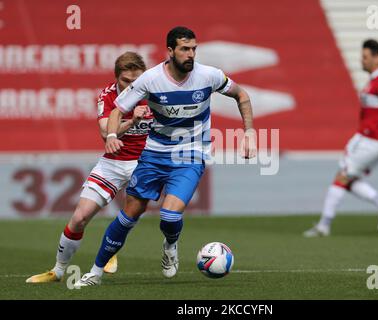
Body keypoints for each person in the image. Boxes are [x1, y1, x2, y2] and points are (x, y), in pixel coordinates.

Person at [74, 26, 257, 287]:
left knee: (170, 216)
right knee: (128, 216)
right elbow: (117, 110)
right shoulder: (150, 80)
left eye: (193, 48)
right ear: (170, 51)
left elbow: (242, 95)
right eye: (184, 49)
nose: (190, 54)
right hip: (154, 154)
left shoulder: (210, 76)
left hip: (191, 154)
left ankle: (171, 245)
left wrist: (249, 132)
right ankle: (96, 272)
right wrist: (113, 135)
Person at [26, 52, 152, 283]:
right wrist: (132, 120)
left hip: (145, 163)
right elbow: (105, 132)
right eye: (126, 81)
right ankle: (58, 271)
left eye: (137, 81)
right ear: (116, 79)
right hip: (113, 163)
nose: (132, 86)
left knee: (131, 214)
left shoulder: (154, 92)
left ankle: (109, 252)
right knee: (80, 217)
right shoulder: (108, 95)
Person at [304, 39, 378, 237]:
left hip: (374, 142)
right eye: (361, 56)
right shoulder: (373, 81)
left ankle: (324, 225)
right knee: (349, 180)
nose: (361, 60)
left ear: (377, 57)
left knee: (342, 177)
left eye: (365, 57)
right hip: (365, 139)